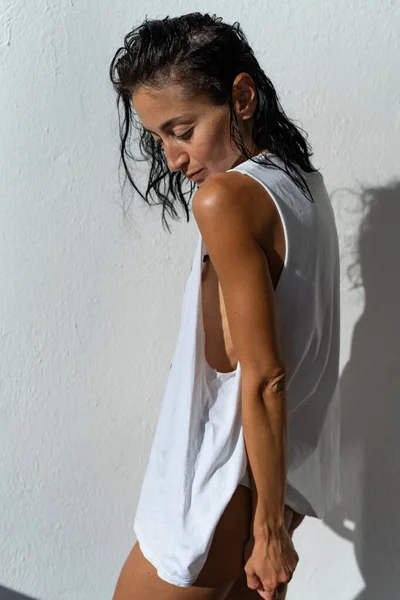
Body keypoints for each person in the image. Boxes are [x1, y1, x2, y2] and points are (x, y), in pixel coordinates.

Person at [109, 12, 340, 600]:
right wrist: (274, 523)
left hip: (212, 500)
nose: (172, 158)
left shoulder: (226, 200)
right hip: (272, 491)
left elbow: (266, 377)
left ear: (240, 96)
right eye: (158, 136)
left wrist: (265, 533)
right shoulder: (302, 184)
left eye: (182, 129)